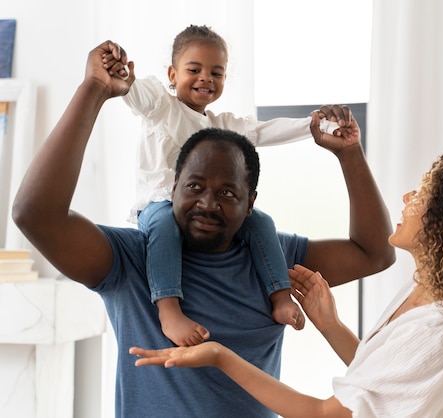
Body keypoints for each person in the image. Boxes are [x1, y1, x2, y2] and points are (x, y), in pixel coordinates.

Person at [11, 40, 395, 418]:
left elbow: (374, 253)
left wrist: (349, 155)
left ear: (250, 203)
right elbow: (34, 213)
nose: (208, 203)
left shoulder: (272, 257)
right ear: (173, 188)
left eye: (227, 192)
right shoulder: (131, 260)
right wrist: (93, 90)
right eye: (194, 187)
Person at [130, 145, 443, 417]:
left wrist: (220, 356)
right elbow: (383, 390)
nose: (406, 200)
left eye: (421, 196)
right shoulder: (423, 296)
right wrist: (331, 325)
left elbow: (326, 415)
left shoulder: (439, 327)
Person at [102, 24, 343, 346]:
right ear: (172, 75)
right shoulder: (160, 104)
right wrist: (123, 75)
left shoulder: (221, 124)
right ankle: (169, 308)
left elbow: (266, 131)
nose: (206, 78)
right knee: (163, 225)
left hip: (208, 207)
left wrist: (315, 125)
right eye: (194, 69)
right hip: (160, 202)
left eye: (217, 73)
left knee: (261, 221)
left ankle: (280, 296)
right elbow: (135, 92)